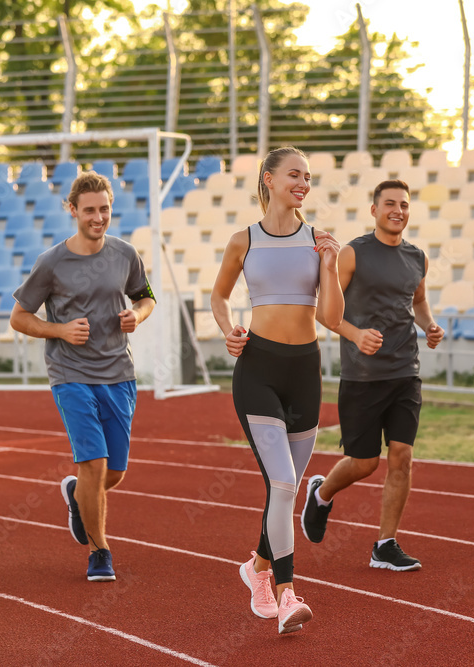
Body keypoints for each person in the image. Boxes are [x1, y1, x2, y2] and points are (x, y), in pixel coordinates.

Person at [210, 146, 343, 634]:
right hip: (258, 369)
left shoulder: (320, 241)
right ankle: (286, 596)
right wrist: (228, 328)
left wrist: (329, 266)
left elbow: (331, 317)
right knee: (285, 485)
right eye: (294, 174)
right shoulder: (242, 240)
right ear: (269, 179)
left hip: (305, 371)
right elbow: (219, 295)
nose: (303, 183)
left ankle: (256, 570)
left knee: (280, 493)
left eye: (308, 176)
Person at [10, 171, 155, 582]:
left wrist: (136, 316)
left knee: (114, 473)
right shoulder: (52, 262)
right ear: (72, 210)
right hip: (71, 374)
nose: (98, 217)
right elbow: (19, 317)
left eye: (104, 209)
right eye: (89, 210)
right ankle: (99, 551)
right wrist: (59, 330)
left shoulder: (126, 254)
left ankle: (77, 495)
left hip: (118, 373)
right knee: (94, 463)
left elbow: (145, 298)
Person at [299, 179, 443, 571]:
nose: (398, 210)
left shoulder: (418, 257)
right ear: (375, 210)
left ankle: (385, 543)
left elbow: (419, 300)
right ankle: (321, 493)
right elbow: (323, 310)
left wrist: (429, 325)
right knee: (364, 462)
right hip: (362, 376)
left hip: (405, 372)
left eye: (404, 204)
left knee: (402, 457)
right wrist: (355, 334)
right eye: (390, 203)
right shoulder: (353, 253)